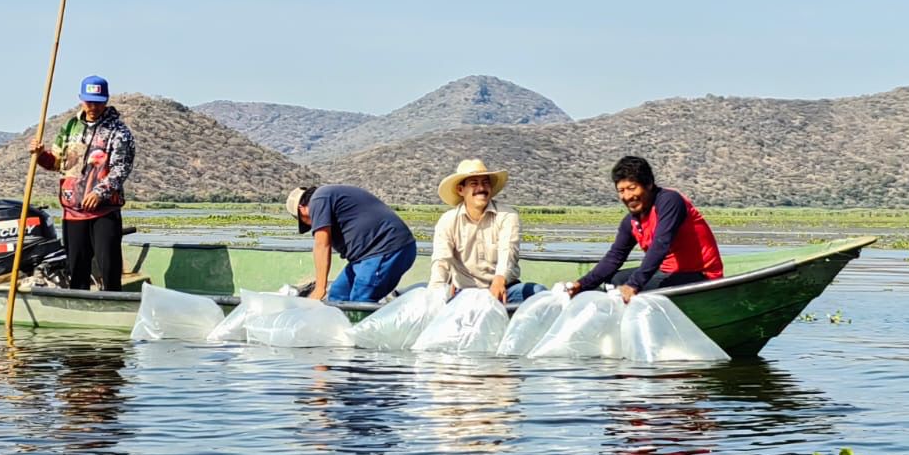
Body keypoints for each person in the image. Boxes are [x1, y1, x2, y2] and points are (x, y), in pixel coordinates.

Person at [30, 76, 136, 290]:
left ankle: (112, 306)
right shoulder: (70, 128)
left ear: (106, 101)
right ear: (81, 100)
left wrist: (99, 192)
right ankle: (80, 305)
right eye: (89, 101)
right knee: (76, 268)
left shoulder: (119, 132)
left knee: (109, 268)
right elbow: (57, 163)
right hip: (73, 210)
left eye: (98, 102)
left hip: (103, 210)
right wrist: (40, 155)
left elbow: (121, 168)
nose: (93, 107)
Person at [570, 156, 723, 302]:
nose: (627, 196)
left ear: (649, 184)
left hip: (700, 276)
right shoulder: (630, 221)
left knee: (629, 288)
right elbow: (615, 257)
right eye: (621, 191)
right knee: (614, 280)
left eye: (631, 188)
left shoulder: (669, 201)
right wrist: (581, 285)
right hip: (667, 272)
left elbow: (661, 244)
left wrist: (634, 285)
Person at [427, 158, 543, 304]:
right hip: (464, 292)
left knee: (539, 292)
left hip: (503, 289)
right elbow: (441, 261)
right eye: (474, 183)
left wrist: (499, 280)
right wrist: (436, 294)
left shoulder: (507, 216)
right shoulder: (448, 220)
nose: (481, 188)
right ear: (460, 190)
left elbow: (508, 252)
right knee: (423, 292)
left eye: (485, 183)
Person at [288, 184, 417, 303]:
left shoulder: (318, 199)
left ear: (301, 209)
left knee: (361, 299)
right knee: (338, 296)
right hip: (365, 257)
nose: (311, 224)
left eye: (305, 221)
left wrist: (319, 289)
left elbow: (322, 245)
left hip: (386, 249)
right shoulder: (328, 197)